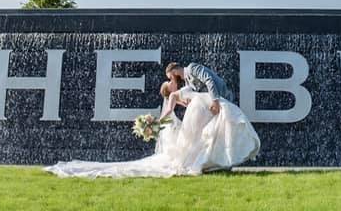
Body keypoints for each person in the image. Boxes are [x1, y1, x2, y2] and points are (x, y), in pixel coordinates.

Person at [45, 75, 259, 178]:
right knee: (200, 138)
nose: (174, 82)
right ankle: (203, 161)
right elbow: (168, 112)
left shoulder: (185, 89)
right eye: (172, 83)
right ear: (170, 88)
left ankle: (205, 161)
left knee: (201, 138)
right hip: (199, 106)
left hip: (199, 106)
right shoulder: (175, 94)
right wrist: (157, 121)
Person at [165, 61, 234, 116]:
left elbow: (208, 80)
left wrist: (215, 101)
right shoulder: (187, 83)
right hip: (214, 106)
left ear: (175, 72)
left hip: (222, 97)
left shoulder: (192, 68)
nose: (172, 80)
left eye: (171, 77)